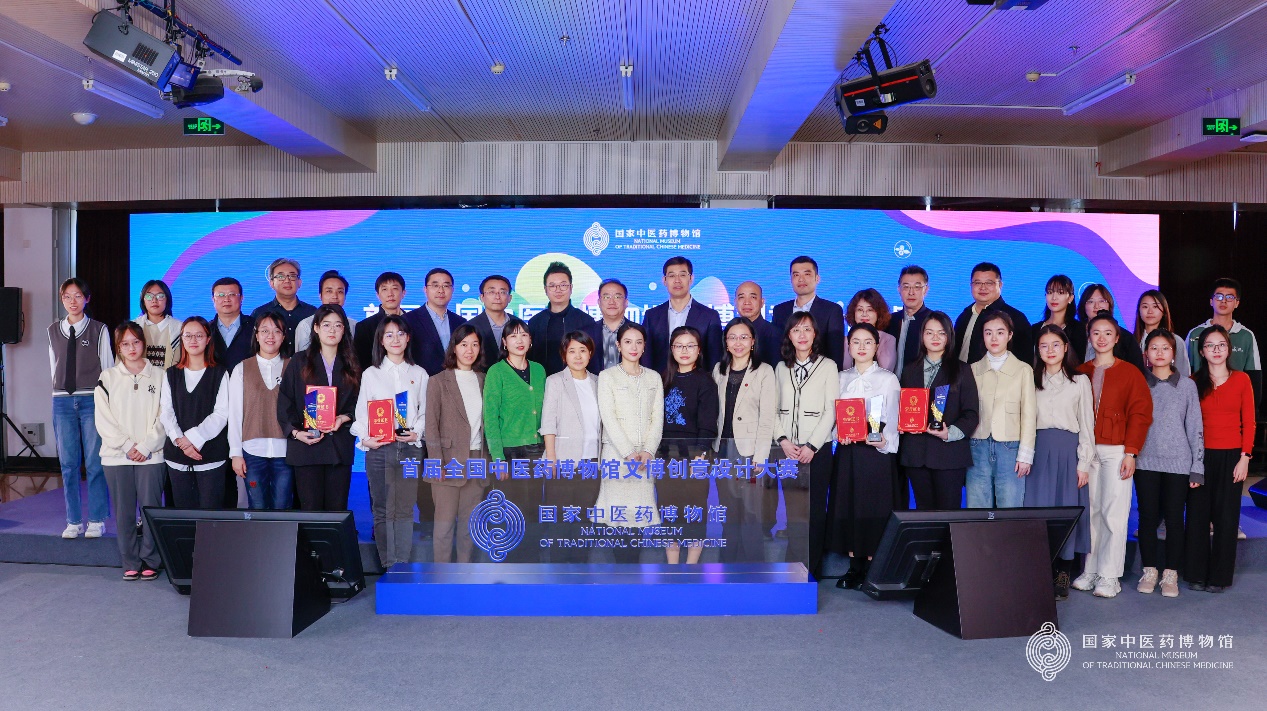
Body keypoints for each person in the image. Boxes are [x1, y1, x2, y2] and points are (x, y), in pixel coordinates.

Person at [1070, 313, 1153, 599]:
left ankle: (1110, 575)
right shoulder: (1080, 371)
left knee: (1113, 513)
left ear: (1117, 338)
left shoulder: (1130, 372)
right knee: (1091, 512)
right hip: (1087, 452)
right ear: (1089, 337)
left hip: (1117, 450)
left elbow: (1140, 414)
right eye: (1096, 333)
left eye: (1108, 333)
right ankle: (1091, 569)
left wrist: (1131, 452)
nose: (1102, 338)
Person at [353, 316, 428, 567]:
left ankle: (402, 562)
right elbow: (362, 413)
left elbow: (426, 411)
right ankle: (388, 563)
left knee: (405, 509)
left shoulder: (419, 373)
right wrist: (365, 439)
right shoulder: (371, 374)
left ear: (408, 338)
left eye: (400, 334)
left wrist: (417, 432)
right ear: (381, 341)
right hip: (379, 450)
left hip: (410, 449)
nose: (395, 339)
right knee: (382, 509)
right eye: (389, 335)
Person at [1027, 325, 1095, 601]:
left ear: (1066, 347)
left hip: (1068, 452)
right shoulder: (1030, 379)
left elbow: (1087, 424)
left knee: (1065, 510)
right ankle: (1040, 570)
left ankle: (1063, 572)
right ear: (1038, 350)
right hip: (1037, 452)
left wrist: (1084, 463)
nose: (1050, 350)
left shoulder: (1080, 381)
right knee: (1038, 511)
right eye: (1044, 345)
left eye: (1056, 344)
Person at [1185, 325, 1255, 593]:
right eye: (1210, 345)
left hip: (1232, 457)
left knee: (1226, 519)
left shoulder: (1242, 380)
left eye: (1221, 345)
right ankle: (1196, 573)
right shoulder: (1193, 382)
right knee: (1197, 516)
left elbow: (1249, 422)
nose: (1216, 350)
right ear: (1201, 351)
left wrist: (1245, 457)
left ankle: (1219, 576)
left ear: (1228, 349)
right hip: (1200, 457)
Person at [831, 323, 900, 589]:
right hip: (848, 453)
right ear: (848, 346)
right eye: (856, 342)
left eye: (867, 342)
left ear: (877, 346)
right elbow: (833, 416)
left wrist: (884, 442)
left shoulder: (887, 378)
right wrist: (839, 434)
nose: (861, 347)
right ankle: (854, 567)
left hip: (875, 454)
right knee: (848, 506)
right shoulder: (840, 377)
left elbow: (893, 419)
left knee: (873, 508)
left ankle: (872, 567)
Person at [94, 322, 165, 580]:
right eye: (125, 344)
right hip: (116, 457)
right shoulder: (107, 377)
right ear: (118, 347)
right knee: (124, 513)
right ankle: (130, 561)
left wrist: (145, 446)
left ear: (144, 343)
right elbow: (103, 420)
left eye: (136, 342)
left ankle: (151, 560)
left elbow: (165, 416)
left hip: (152, 455)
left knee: (150, 510)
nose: (131, 348)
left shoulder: (160, 375)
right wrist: (127, 445)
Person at [1135, 329, 1203, 598]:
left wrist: (1197, 467)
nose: (1160, 353)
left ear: (1174, 353)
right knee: (1147, 517)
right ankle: (1150, 570)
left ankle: (1171, 574)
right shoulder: (1139, 383)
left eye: (1165, 348)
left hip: (1179, 463)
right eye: (1154, 348)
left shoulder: (1187, 386)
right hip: (1145, 461)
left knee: (1175, 519)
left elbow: (1195, 427)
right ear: (1146, 353)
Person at [772, 313, 837, 577]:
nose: (802, 335)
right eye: (796, 330)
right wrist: (783, 440)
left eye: (807, 329)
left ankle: (812, 570)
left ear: (815, 334)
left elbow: (831, 411)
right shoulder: (780, 368)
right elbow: (773, 409)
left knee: (815, 511)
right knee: (793, 510)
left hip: (817, 451)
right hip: (787, 451)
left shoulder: (828, 366)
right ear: (789, 335)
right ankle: (793, 565)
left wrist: (812, 445)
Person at [48, 278, 114, 539]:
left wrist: (108, 404)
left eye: (77, 296)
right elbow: (53, 367)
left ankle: (97, 519)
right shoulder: (52, 330)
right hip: (62, 401)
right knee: (68, 463)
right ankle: (73, 520)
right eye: (67, 296)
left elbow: (108, 370)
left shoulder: (99, 329)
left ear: (87, 299)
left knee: (95, 462)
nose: (72, 301)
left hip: (92, 399)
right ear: (62, 300)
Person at [277, 305, 360, 511]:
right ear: (316, 328)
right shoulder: (299, 361)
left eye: (338, 325)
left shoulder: (352, 363)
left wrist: (344, 417)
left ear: (344, 330)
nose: (332, 330)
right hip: (307, 445)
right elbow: (285, 402)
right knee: (310, 511)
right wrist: (296, 433)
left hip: (339, 446)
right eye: (326, 325)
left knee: (336, 510)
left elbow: (359, 401)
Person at [597, 322, 664, 563]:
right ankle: (619, 569)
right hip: (616, 455)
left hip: (645, 458)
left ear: (644, 346)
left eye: (638, 342)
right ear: (618, 345)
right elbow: (608, 417)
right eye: (627, 342)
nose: (633, 347)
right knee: (617, 515)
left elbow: (657, 417)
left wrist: (648, 450)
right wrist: (627, 452)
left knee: (639, 514)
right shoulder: (607, 376)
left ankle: (633, 568)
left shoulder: (654, 377)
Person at [711, 317, 777, 563]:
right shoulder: (718, 370)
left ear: (752, 342)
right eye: (732, 337)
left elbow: (767, 418)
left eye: (743, 337)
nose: (737, 343)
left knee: (750, 512)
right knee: (728, 510)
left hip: (749, 452)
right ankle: (727, 565)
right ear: (726, 342)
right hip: (722, 449)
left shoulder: (764, 371)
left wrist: (760, 457)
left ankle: (753, 568)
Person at [899, 311, 978, 511]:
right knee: (924, 514)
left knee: (948, 514)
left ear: (949, 336)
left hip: (948, 456)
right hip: (916, 455)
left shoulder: (962, 370)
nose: (935, 338)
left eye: (941, 333)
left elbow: (971, 414)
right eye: (929, 332)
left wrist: (949, 433)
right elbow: (902, 408)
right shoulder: (909, 370)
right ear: (922, 336)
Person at [425, 324, 491, 564]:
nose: (469, 350)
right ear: (454, 348)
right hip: (447, 462)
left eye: (474, 344)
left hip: (477, 461)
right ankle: (442, 575)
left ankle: (464, 572)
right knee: (444, 527)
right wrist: (436, 463)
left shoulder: (485, 380)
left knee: (469, 526)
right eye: (464, 344)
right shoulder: (438, 381)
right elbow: (431, 426)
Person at [482, 316, 547, 563]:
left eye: (524, 335)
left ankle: (532, 559)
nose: (519, 340)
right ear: (504, 342)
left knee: (534, 507)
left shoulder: (539, 370)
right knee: (511, 509)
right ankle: (510, 560)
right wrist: (498, 458)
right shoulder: (496, 372)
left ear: (530, 341)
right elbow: (491, 417)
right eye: (513, 336)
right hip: (510, 452)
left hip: (537, 449)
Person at [541, 331, 604, 563]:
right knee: (560, 519)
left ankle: (580, 567)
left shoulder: (599, 382)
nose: (578, 356)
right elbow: (548, 422)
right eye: (572, 351)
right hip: (563, 462)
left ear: (590, 353)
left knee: (584, 518)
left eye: (583, 350)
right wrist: (551, 457)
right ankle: (558, 569)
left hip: (592, 462)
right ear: (564, 355)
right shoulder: (555, 381)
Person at [657, 326, 718, 565]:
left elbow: (708, 424)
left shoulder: (705, 381)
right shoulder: (662, 379)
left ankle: (691, 567)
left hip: (695, 458)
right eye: (679, 346)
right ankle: (673, 566)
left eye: (690, 346)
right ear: (671, 349)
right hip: (665, 458)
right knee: (668, 510)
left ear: (699, 350)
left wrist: (699, 455)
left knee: (695, 511)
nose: (684, 350)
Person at [966, 312, 1036, 509]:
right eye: (988, 333)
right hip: (977, 445)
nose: (994, 338)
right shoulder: (972, 370)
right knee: (977, 508)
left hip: (1010, 447)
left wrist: (1025, 455)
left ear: (1010, 335)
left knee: (1010, 508)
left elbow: (1029, 415)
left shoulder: (1023, 370)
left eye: (1000, 332)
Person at [159, 317, 230, 509]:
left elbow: (221, 414)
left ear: (208, 339)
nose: (193, 340)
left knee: (210, 516)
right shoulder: (171, 374)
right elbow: (166, 411)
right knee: (184, 515)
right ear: (181, 339)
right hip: (177, 455)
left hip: (211, 455)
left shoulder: (220, 373)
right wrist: (180, 441)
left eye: (199, 335)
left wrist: (191, 438)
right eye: (188, 335)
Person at [227, 311, 292, 510]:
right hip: (252, 451)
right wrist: (235, 453)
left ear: (283, 336)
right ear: (256, 335)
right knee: (257, 507)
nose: (270, 336)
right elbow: (235, 414)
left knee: (282, 507)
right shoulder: (242, 369)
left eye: (276, 331)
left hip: (286, 451)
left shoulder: (293, 367)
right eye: (264, 331)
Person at [1186, 278, 1261, 413]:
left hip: (1234, 408)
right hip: (1200, 405)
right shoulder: (1195, 334)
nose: (1224, 301)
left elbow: (1254, 375)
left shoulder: (1246, 335)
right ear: (1211, 301)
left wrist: (1252, 410)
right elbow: (1186, 371)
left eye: (1229, 297)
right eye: (1219, 296)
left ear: (1237, 303)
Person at [642, 257, 724, 372]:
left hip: (697, 381)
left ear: (691, 279)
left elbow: (714, 360)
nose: (677, 280)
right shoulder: (652, 316)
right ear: (664, 280)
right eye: (671, 276)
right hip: (660, 381)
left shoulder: (709, 316)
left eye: (682, 275)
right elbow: (646, 357)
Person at [772, 256, 845, 368]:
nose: (801, 279)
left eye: (807, 274)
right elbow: (776, 351)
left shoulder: (832, 310)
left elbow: (836, 354)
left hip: (820, 374)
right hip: (786, 374)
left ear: (817, 278)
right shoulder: (780, 311)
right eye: (796, 275)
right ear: (791, 280)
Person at [954, 262, 1032, 363]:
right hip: (961, 372)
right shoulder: (964, 316)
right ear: (971, 285)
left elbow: (1025, 360)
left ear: (1000, 285)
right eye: (977, 283)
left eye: (989, 283)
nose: (983, 287)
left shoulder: (1015, 318)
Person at [527, 261, 596, 376]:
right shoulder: (535, 322)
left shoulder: (585, 321)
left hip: (577, 382)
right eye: (552, 286)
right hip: (542, 382)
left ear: (571, 288)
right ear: (545, 289)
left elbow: (592, 357)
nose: (558, 290)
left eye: (563, 285)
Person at [406, 267, 467, 376]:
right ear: (425, 289)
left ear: (452, 290)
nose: (441, 290)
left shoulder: (460, 322)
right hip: (422, 382)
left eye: (446, 286)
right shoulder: (408, 320)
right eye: (435, 285)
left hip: (456, 381)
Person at [250, 257, 316, 356]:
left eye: (292, 276)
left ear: (299, 282)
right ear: (271, 283)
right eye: (281, 276)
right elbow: (253, 348)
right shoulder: (259, 313)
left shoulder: (312, 312)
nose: (287, 280)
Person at [1078, 284, 1145, 373]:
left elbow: (1137, 370)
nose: (1097, 306)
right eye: (1090, 301)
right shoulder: (1074, 333)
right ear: (1083, 306)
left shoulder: (1125, 337)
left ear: (1109, 305)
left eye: (1102, 301)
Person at [354, 271, 408, 371]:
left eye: (395, 288)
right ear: (378, 295)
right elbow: (362, 363)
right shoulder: (365, 327)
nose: (390, 294)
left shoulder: (414, 322)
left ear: (403, 293)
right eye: (384, 289)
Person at [296, 270, 359, 353]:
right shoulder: (306, 325)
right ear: (320, 295)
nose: (335, 296)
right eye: (329, 291)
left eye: (340, 292)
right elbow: (302, 358)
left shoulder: (355, 325)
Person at [888, 265, 933, 375]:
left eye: (917, 287)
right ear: (899, 289)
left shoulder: (934, 321)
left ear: (926, 290)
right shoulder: (889, 321)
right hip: (888, 383)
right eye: (906, 287)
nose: (911, 292)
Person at [840, 289, 898, 374]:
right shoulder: (844, 341)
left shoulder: (888, 339)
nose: (864, 314)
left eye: (870, 310)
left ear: (878, 313)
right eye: (860, 310)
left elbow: (886, 371)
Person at [1032, 275, 1085, 366]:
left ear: (1070, 298)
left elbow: (1078, 362)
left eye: (1060, 293)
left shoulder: (1077, 329)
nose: (1054, 297)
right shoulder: (1035, 329)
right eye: (1050, 292)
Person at [1135, 290, 1190, 377]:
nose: (1150, 311)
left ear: (1164, 311)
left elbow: (1183, 374)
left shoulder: (1176, 341)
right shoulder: (1131, 340)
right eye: (1145, 307)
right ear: (1139, 310)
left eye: (1155, 306)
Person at [466, 274, 512, 371]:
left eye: (502, 292)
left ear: (510, 298)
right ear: (482, 297)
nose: (497, 297)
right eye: (491, 292)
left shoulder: (519, 325)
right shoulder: (470, 327)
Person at [209, 277, 255, 372]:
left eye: (232, 294)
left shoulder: (256, 326)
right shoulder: (205, 330)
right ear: (213, 299)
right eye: (221, 295)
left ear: (241, 298)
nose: (226, 299)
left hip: (248, 379)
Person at [134, 279, 181, 368]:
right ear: (143, 300)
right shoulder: (132, 328)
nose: (154, 300)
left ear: (167, 299)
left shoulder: (180, 329)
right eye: (149, 296)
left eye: (160, 296)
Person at [735, 281, 781, 368]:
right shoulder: (728, 334)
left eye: (753, 297)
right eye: (741, 297)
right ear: (735, 302)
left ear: (762, 302)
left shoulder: (774, 334)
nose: (747, 302)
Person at [588, 278, 629, 372]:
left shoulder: (639, 332)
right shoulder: (587, 333)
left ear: (626, 302)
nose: (612, 302)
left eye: (617, 297)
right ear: (599, 302)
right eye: (606, 297)